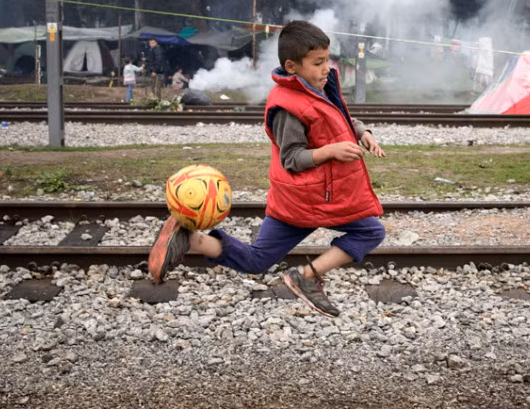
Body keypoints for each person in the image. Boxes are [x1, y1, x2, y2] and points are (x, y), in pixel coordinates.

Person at [148, 21, 387, 317]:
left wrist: (362, 132)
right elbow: (292, 158)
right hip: (312, 198)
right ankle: (305, 277)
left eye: (327, 60)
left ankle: (192, 238)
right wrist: (330, 151)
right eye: (318, 62)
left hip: (301, 197)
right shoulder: (289, 107)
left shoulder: (314, 87)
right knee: (371, 232)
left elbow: (336, 120)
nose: (327, 68)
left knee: (257, 261)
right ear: (292, 65)